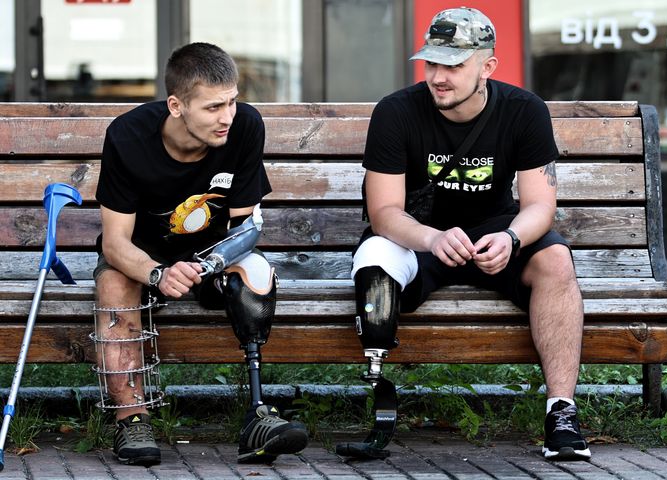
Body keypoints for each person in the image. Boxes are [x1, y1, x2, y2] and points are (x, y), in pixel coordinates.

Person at [351, 7, 591, 460]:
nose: (438, 76)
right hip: (419, 238)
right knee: (375, 266)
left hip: (495, 237)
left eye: (453, 65)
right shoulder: (396, 112)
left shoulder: (524, 111)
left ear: (488, 66)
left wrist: (513, 239)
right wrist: (432, 239)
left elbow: (541, 204)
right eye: (432, 63)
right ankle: (378, 399)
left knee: (556, 261)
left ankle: (561, 412)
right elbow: (383, 213)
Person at [93, 42, 308, 466]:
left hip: (213, 255)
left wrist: (211, 264)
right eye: (213, 107)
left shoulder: (244, 126)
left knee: (257, 273)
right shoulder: (127, 136)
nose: (227, 116)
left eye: (232, 101)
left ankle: (258, 416)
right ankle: (131, 420)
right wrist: (159, 274)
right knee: (114, 282)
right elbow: (116, 242)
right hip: (144, 258)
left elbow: (244, 229)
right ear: (176, 105)